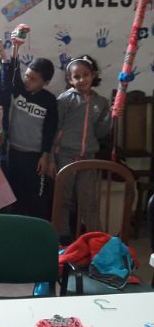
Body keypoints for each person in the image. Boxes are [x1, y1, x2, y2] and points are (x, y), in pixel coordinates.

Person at [52, 55, 110, 238]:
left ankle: (96, 238)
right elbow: (55, 127)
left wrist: (111, 117)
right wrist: (51, 156)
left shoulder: (101, 102)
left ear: (93, 75)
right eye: (76, 76)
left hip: (88, 157)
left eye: (85, 75)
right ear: (70, 80)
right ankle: (62, 237)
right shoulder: (64, 100)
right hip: (65, 155)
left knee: (89, 200)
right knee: (63, 198)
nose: (82, 79)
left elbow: (100, 132)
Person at [5, 33, 58, 220]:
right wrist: (16, 48)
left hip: (35, 157)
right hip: (14, 152)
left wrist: (45, 155)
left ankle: (35, 230)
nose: (28, 81)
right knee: (15, 195)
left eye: (33, 79)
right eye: (27, 76)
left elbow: (50, 129)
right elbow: (12, 73)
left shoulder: (49, 100)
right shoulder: (20, 89)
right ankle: (17, 229)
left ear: (46, 82)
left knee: (36, 199)